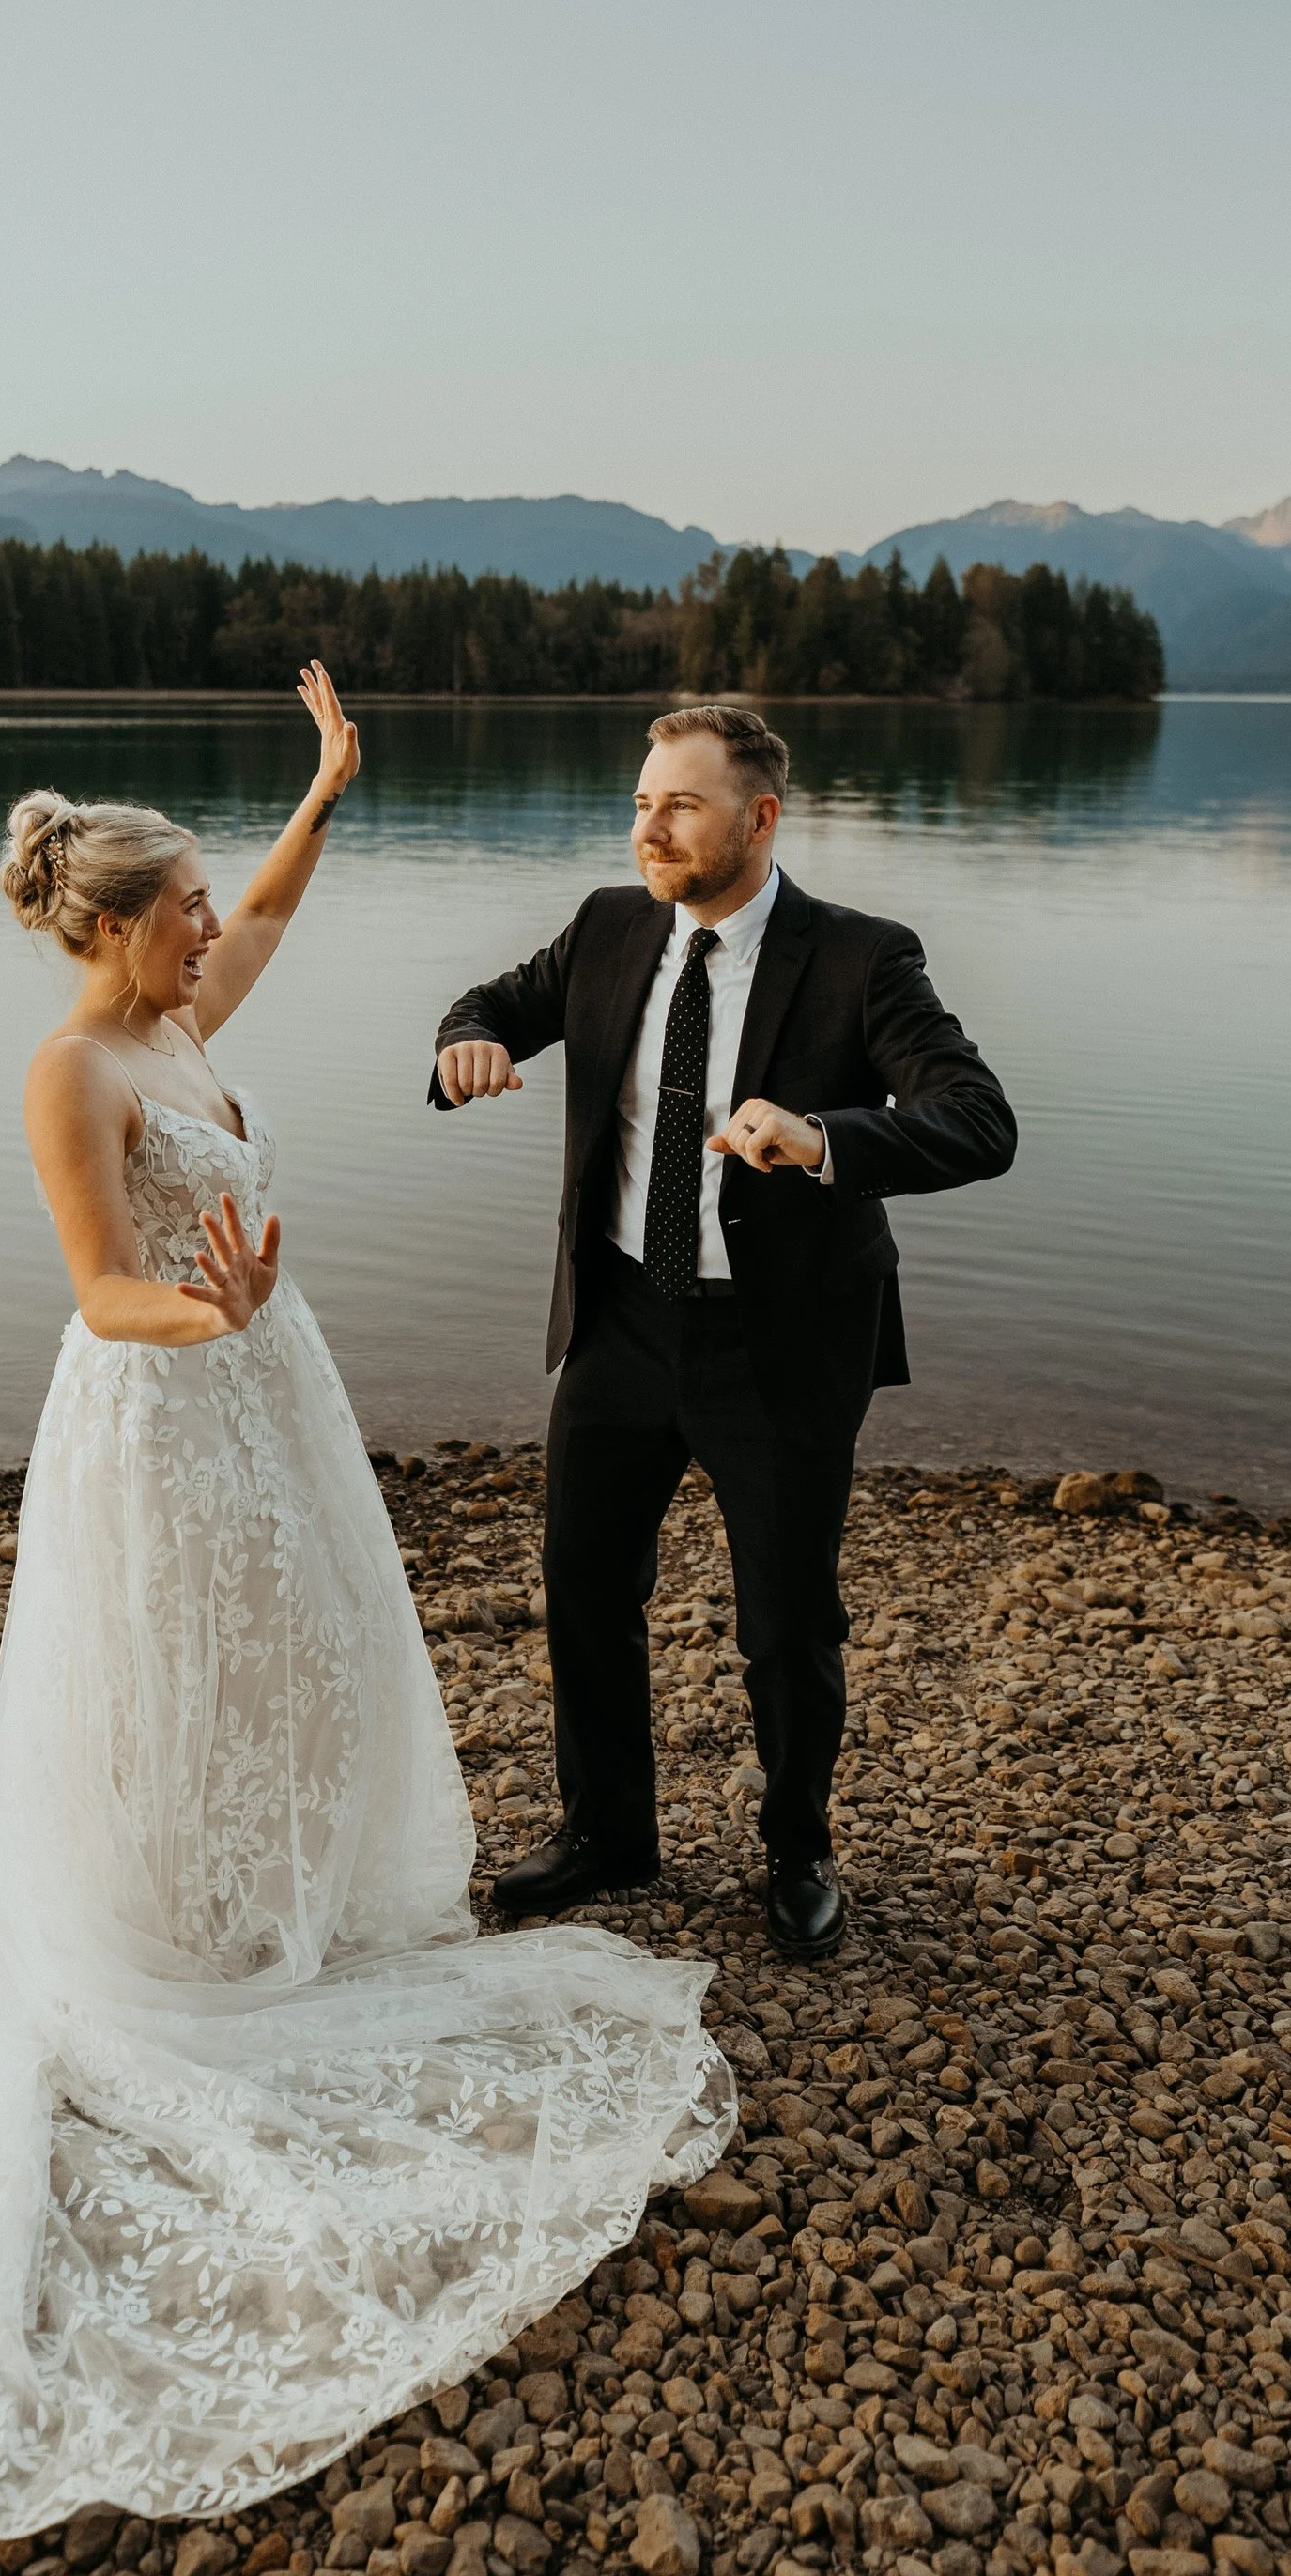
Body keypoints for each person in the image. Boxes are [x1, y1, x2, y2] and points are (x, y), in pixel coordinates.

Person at [0, 664, 730, 2537]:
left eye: (213, 899)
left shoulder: (179, 1018)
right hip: (163, 1409)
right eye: (187, 906)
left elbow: (281, 918)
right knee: (171, 1683)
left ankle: (272, 1910)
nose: (215, 922)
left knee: (298, 1668)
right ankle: (166, 1949)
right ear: (116, 927)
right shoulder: (72, 1070)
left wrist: (324, 787)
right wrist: (204, 1310)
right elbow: (96, 1290)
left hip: (265, 1398)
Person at [431, 702, 1014, 1962]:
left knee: (787, 1621)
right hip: (622, 1318)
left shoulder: (862, 957)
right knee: (586, 1586)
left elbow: (980, 1119)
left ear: (759, 817)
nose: (649, 824)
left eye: (678, 804)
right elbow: (493, 1000)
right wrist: (468, 1041)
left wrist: (825, 1140)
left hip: (781, 1343)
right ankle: (608, 1833)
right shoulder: (607, 926)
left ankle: (798, 1849)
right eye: (643, 800)